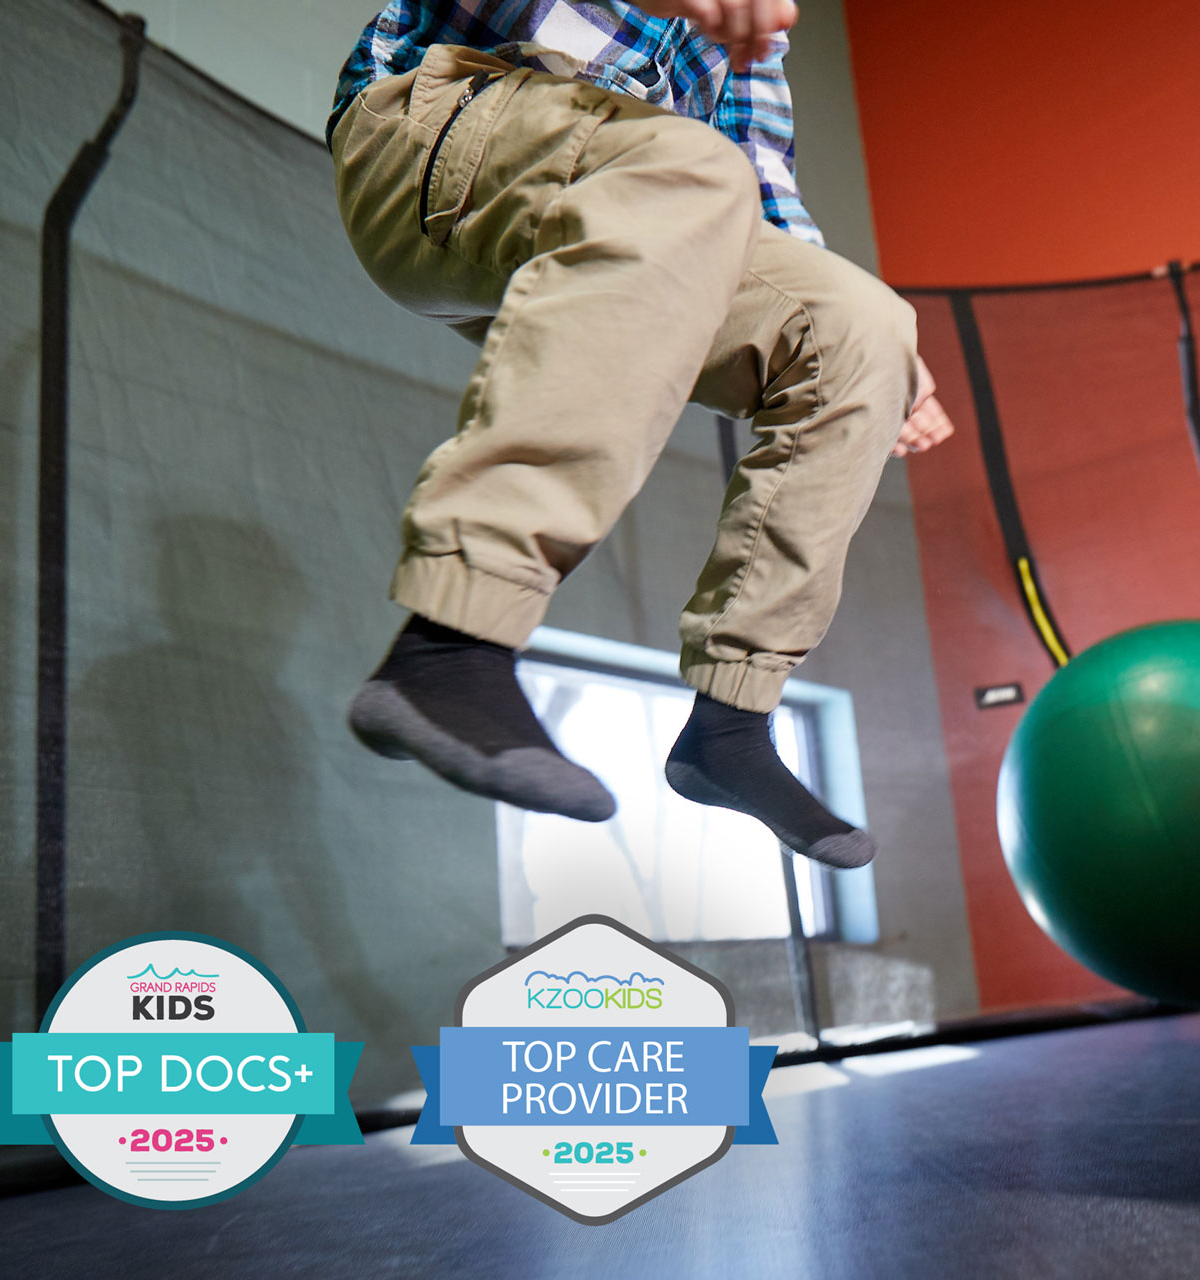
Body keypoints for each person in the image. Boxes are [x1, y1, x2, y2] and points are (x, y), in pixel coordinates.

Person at [326, 1, 954, 869]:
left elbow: (759, 185)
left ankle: (730, 727)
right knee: (684, 162)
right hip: (430, 140)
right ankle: (449, 646)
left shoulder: (750, 35)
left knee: (861, 328)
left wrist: (889, 368)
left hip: (621, 185)